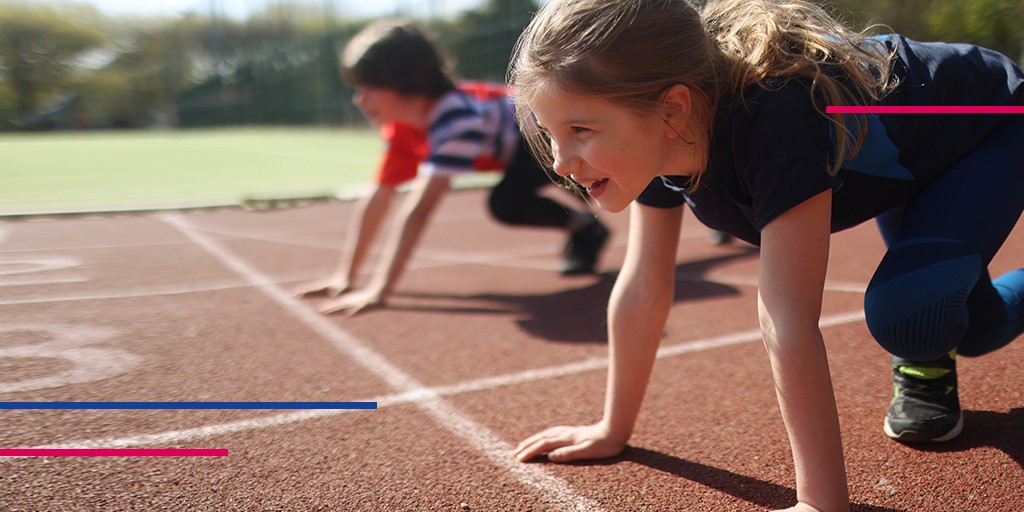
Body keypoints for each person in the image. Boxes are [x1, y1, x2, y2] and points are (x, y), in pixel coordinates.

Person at [507, 1, 1024, 511]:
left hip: (994, 122)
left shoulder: (774, 116)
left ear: (671, 109)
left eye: (580, 131)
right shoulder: (659, 139)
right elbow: (643, 287)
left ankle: (923, 347)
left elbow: (786, 318)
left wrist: (819, 503)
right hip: (912, 161)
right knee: (972, 328)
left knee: (911, 314)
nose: (560, 162)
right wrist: (611, 428)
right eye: (551, 134)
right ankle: (936, 335)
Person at [294, 19, 611, 314]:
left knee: (512, 201)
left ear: (405, 82)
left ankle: (590, 225)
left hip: (537, 132)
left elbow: (418, 211)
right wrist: (346, 277)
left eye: (368, 88)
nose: (359, 100)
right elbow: (379, 198)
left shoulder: (453, 118)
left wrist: (380, 290)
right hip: (515, 145)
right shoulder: (401, 127)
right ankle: (587, 227)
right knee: (515, 200)